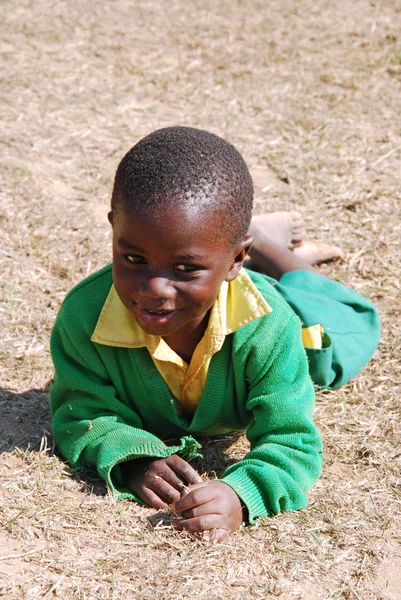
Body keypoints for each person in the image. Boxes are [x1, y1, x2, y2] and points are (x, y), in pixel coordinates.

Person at [49, 127, 380, 542]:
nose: (154, 289)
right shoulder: (85, 316)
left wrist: (242, 495)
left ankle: (274, 249)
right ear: (114, 228)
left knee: (342, 337)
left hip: (276, 306)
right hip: (218, 280)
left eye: (186, 268)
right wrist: (132, 459)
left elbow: (291, 441)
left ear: (235, 257)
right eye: (133, 258)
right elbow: (80, 413)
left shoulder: (270, 328)